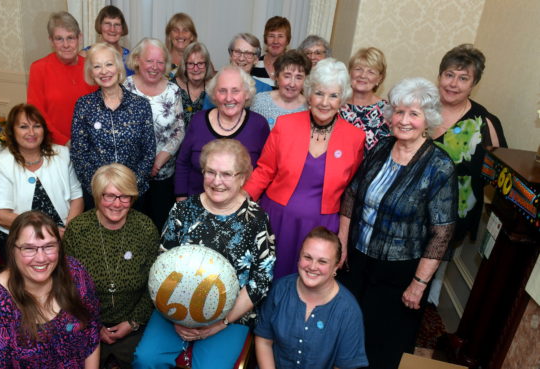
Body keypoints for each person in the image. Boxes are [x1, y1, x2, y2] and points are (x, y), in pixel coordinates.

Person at [337, 78, 458, 369]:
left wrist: (418, 284)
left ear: (427, 120)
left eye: (414, 114)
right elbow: (352, 196)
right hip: (358, 261)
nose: (404, 121)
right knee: (349, 333)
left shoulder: (439, 166)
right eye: (399, 112)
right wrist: (341, 245)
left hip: (400, 273)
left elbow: (442, 232)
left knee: (383, 346)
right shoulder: (381, 147)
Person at [133, 139, 276, 369]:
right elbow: (161, 266)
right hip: (174, 308)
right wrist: (177, 319)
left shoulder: (257, 219)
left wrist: (220, 323)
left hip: (229, 316)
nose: (217, 181)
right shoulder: (183, 210)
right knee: (146, 359)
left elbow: (261, 280)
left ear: (242, 177)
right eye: (211, 172)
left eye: (227, 174)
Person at [244, 58, 365, 279]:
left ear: (343, 100)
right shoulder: (285, 125)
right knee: (266, 279)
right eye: (319, 93)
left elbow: (350, 194)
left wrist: (343, 239)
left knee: (309, 284)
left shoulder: (355, 138)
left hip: (321, 227)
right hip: (278, 220)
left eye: (333, 95)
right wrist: (239, 204)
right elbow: (264, 171)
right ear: (309, 94)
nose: (325, 102)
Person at [0, 211, 100, 368]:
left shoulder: (74, 272)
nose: (41, 258)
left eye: (49, 246)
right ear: (12, 250)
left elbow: (92, 334)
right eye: (29, 249)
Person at [427, 43, 508, 305]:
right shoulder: (420, 108)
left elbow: (500, 173)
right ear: (439, 76)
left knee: (424, 285)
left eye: (463, 78)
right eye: (449, 75)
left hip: (452, 217)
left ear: (474, 83)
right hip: (409, 211)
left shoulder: (484, 123)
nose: (453, 83)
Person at [64, 164, 159, 368]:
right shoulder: (78, 230)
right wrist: (94, 325)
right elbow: (67, 285)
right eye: (109, 196)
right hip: (85, 323)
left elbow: (155, 284)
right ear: (97, 196)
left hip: (135, 325)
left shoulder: (145, 228)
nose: (117, 204)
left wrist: (133, 322)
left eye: (125, 196)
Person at [255, 227, 368, 369]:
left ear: (336, 266)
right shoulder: (280, 289)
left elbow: (344, 366)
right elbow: (264, 340)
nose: (313, 267)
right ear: (299, 257)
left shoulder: (349, 311)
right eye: (307, 257)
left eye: (322, 262)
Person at [0, 104, 83, 259]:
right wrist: (48, 232)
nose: (31, 132)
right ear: (12, 131)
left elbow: (77, 197)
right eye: (23, 127)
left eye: (37, 126)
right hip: (21, 239)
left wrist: (69, 230)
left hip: (63, 234)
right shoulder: (1, 164)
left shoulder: (61, 154)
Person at [71, 42, 155, 210]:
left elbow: (149, 152)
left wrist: (128, 190)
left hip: (134, 195)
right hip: (97, 196)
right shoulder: (84, 106)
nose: (104, 71)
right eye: (97, 66)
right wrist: (100, 190)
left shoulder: (140, 105)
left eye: (109, 64)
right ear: (91, 72)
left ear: (118, 67)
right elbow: (79, 154)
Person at [175, 65, 269, 199]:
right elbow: (182, 163)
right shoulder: (198, 121)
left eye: (235, 91)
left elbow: (264, 169)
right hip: (196, 204)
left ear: (247, 93)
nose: (229, 98)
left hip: (242, 205)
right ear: (214, 94)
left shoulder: (259, 125)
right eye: (222, 91)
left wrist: (250, 199)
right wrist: (181, 202)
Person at [124, 37, 185, 231]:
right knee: (132, 228)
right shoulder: (125, 88)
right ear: (137, 61)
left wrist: (157, 162)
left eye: (160, 62)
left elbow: (179, 130)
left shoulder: (173, 91)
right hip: (131, 175)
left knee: (160, 226)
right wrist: (143, 165)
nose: (155, 67)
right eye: (149, 61)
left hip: (163, 175)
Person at [27, 11, 97, 145]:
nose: (66, 45)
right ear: (51, 41)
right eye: (59, 39)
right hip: (54, 146)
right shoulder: (39, 68)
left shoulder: (92, 67)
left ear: (79, 38)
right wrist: (66, 142)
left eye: (71, 38)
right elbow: (37, 115)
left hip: (90, 145)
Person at [202, 32, 272, 110]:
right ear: (230, 55)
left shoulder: (265, 90)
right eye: (237, 52)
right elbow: (206, 118)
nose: (241, 58)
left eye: (248, 53)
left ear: (256, 60)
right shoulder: (214, 86)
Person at [340, 47, 390, 153]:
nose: (363, 75)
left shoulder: (388, 110)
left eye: (371, 72)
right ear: (350, 72)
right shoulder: (336, 105)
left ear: (379, 78)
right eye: (358, 69)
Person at [250, 50, 311, 129]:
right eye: (287, 76)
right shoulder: (260, 101)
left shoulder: (309, 107)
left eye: (298, 77)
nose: (292, 84)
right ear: (277, 77)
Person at [80, 5, 135, 76]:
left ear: (122, 29)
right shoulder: (85, 55)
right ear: (100, 26)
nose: (112, 29)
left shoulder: (131, 59)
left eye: (117, 25)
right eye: (107, 24)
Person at [170, 42, 215, 127]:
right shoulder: (172, 88)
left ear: (207, 65)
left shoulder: (215, 88)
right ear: (184, 66)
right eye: (191, 64)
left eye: (200, 63)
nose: (196, 69)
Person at [252, 16, 291, 88]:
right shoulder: (254, 65)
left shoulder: (294, 68)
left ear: (287, 40)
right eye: (271, 36)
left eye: (280, 36)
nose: (275, 41)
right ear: (265, 39)